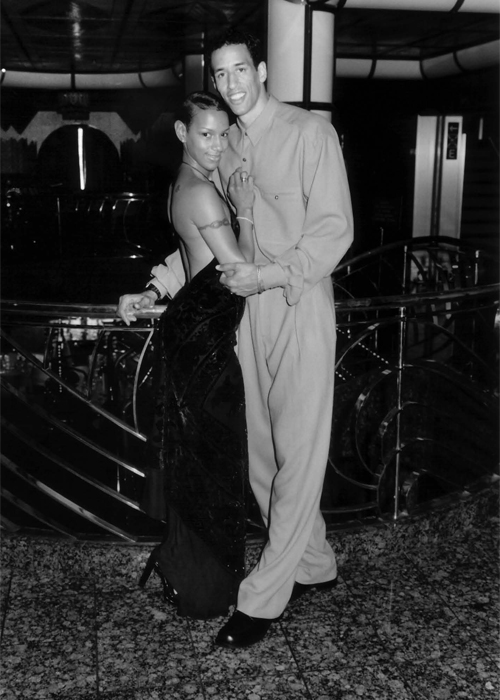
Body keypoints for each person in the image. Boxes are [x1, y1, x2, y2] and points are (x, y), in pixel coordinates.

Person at [205, 28, 355, 648]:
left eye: (240, 69)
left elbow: (334, 231)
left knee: (299, 452)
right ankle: (314, 563)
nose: (232, 83)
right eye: (221, 74)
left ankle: (263, 598)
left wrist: (266, 275)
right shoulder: (227, 145)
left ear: (262, 70)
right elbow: (209, 227)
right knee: (263, 454)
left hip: (298, 300)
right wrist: (158, 284)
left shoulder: (309, 133)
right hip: (249, 311)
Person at [117, 91, 255, 619]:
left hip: (194, 338)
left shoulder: (187, 182)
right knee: (213, 463)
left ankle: (183, 567)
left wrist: (151, 290)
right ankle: (202, 585)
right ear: (182, 133)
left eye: (223, 134)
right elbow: (238, 274)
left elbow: (189, 255)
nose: (217, 145)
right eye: (206, 134)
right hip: (205, 347)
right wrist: (246, 211)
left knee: (198, 459)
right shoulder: (203, 192)